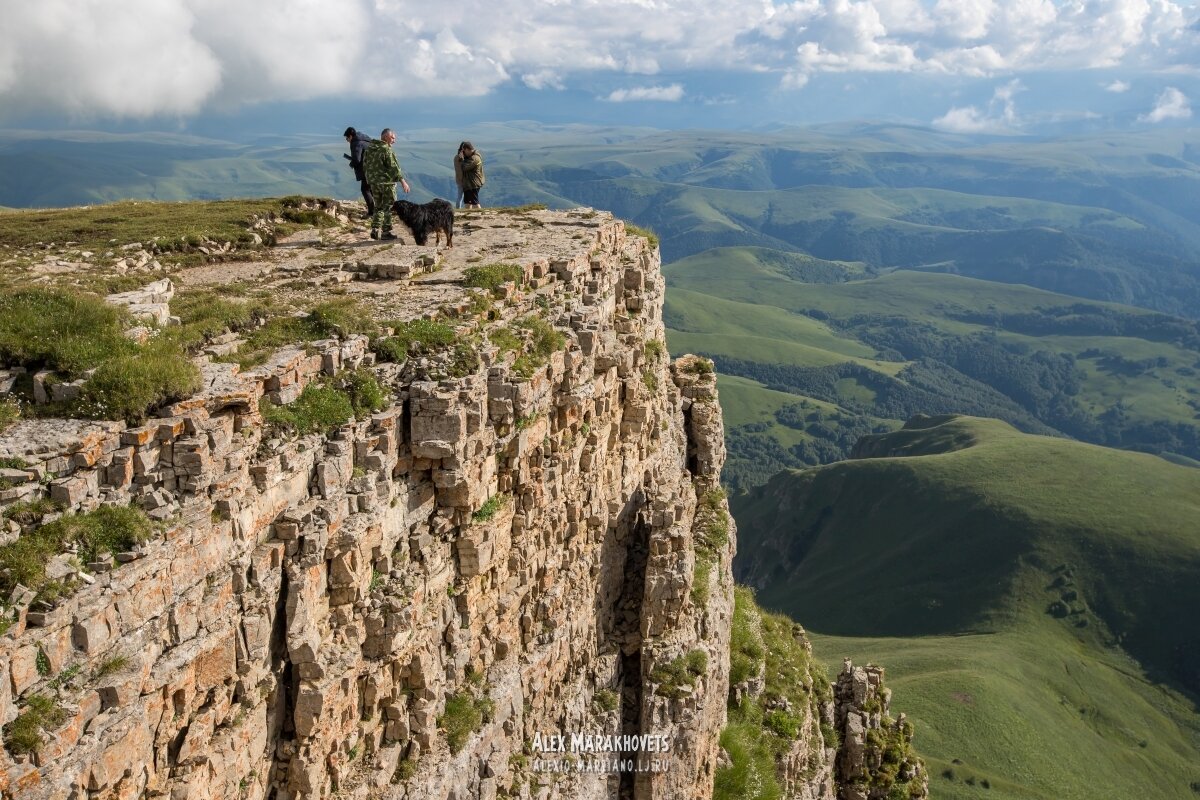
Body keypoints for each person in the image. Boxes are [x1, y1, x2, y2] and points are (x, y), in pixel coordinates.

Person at [362, 128, 411, 240]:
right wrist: (403, 182)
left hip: (374, 183)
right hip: (387, 183)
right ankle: (386, 232)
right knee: (388, 207)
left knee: (378, 206)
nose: (394, 140)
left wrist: (370, 179)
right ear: (385, 137)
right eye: (392, 137)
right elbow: (394, 167)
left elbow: (365, 166)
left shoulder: (370, 149)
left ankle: (375, 229)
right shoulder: (386, 150)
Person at [343, 126, 375, 217]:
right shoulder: (365, 139)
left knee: (365, 189)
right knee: (371, 189)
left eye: (347, 138)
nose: (347, 140)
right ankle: (379, 209)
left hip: (367, 169)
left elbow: (357, 159)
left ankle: (372, 212)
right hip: (374, 167)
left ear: (350, 136)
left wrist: (351, 164)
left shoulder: (356, 143)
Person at [458, 142, 484, 209]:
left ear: (467, 149)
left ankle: (480, 216)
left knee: (475, 202)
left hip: (473, 183)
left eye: (464, 151)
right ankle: (468, 216)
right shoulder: (471, 157)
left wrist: (462, 159)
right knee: (468, 202)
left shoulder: (475, 158)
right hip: (468, 184)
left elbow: (465, 168)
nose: (464, 153)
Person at [452, 142, 467, 209]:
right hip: (462, 180)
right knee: (460, 196)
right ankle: (459, 209)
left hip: (459, 180)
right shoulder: (459, 158)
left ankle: (459, 209)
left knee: (460, 196)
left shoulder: (456, 157)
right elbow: (460, 169)